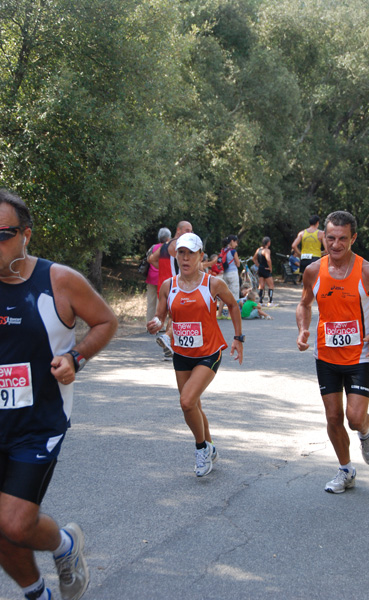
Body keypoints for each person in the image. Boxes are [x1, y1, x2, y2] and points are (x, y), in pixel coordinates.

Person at [0, 189, 118, 599]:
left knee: (14, 524)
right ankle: (39, 595)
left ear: (25, 235)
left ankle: (66, 545)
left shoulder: (58, 281)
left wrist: (76, 358)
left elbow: (105, 321)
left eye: (3, 234)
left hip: (39, 422)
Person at [296, 210, 369, 494]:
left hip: (359, 356)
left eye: (343, 238)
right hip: (325, 356)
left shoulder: (367, 271)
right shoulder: (313, 271)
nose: (336, 244)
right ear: (324, 238)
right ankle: (345, 470)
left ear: (353, 238)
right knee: (333, 418)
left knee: (355, 419)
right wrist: (303, 329)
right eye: (330, 238)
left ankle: (367, 430)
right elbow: (304, 304)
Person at [147, 233, 244, 477]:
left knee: (187, 401)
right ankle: (209, 446)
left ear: (201, 256)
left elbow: (233, 305)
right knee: (194, 405)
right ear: (176, 255)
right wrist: (156, 323)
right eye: (181, 253)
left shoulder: (212, 284)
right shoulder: (169, 285)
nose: (186, 258)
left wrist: (238, 337)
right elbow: (161, 315)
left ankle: (201, 448)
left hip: (209, 352)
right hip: (181, 353)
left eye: (191, 253)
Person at [148, 220, 192, 359]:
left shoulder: (165, 245)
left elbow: (151, 259)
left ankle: (169, 346)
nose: (190, 233)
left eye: (191, 230)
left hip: (162, 285)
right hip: (174, 286)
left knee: (167, 315)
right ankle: (168, 340)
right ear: (178, 230)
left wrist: (162, 268)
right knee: (177, 316)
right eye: (187, 230)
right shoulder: (180, 245)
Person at [145, 227, 171, 323]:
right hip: (162, 277)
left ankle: (149, 323)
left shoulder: (153, 247)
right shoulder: (167, 248)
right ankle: (158, 324)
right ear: (168, 238)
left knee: (151, 302)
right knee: (160, 301)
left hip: (151, 276)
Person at [217, 235, 241, 318]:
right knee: (233, 294)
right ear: (232, 241)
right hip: (233, 274)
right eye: (236, 242)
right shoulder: (233, 251)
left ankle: (219, 314)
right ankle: (230, 315)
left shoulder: (223, 250)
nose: (236, 244)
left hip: (225, 274)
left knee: (224, 294)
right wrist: (236, 262)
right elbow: (238, 264)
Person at [253, 237, 275, 305]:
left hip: (260, 269)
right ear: (268, 243)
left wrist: (258, 265)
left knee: (261, 285)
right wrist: (270, 268)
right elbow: (268, 259)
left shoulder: (258, 249)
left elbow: (254, 259)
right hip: (266, 268)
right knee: (271, 285)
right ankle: (270, 301)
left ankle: (260, 301)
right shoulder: (267, 250)